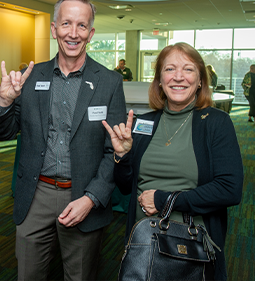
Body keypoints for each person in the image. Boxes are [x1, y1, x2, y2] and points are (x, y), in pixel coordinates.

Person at [0, 0, 126, 280]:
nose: (73, 33)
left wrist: (90, 199)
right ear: (54, 29)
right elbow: (3, 133)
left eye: (81, 25)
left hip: (82, 197)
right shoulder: (29, 77)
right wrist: (4, 102)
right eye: (66, 23)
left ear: (90, 33)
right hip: (34, 196)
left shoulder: (109, 82)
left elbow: (112, 151)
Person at [103, 43, 244, 281]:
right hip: (143, 244)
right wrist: (123, 157)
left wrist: (164, 200)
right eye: (170, 69)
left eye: (188, 69)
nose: (178, 77)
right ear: (159, 79)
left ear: (200, 80)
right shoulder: (143, 123)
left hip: (192, 247)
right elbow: (126, 186)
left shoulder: (216, 122)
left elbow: (230, 190)